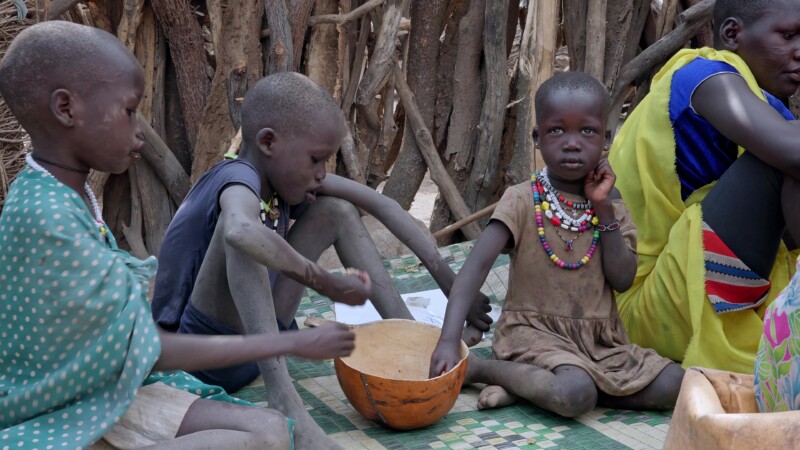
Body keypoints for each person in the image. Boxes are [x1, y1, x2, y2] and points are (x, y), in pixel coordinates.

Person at [0, 21, 360, 449]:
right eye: (129, 111)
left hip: (103, 393)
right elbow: (153, 350)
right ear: (66, 109)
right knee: (256, 442)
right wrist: (291, 340)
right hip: (55, 413)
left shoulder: (64, 197)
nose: (138, 131)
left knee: (271, 430)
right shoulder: (47, 217)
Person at [149, 71, 493, 447]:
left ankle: (417, 346)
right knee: (246, 238)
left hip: (262, 343)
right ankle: (285, 401)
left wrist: (450, 281)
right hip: (203, 361)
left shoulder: (277, 177)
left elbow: (381, 203)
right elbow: (237, 231)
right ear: (268, 142)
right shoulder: (237, 178)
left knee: (337, 210)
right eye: (315, 160)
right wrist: (322, 280)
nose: (321, 173)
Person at [429, 72, 684, 417]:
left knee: (675, 383)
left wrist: (603, 207)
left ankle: (528, 386)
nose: (573, 142)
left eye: (588, 131)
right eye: (557, 130)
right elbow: (474, 270)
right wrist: (448, 339)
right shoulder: (521, 200)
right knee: (574, 392)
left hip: (599, 343)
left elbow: (623, 280)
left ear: (606, 138)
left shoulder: (612, 203)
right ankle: (479, 369)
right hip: (532, 334)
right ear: (537, 138)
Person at [607, 0, 800, 374]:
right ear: (731, 35)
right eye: (788, 35)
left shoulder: (768, 108)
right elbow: (792, 154)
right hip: (639, 310)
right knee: (784, 159)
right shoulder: (705, 78)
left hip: (699, 294)